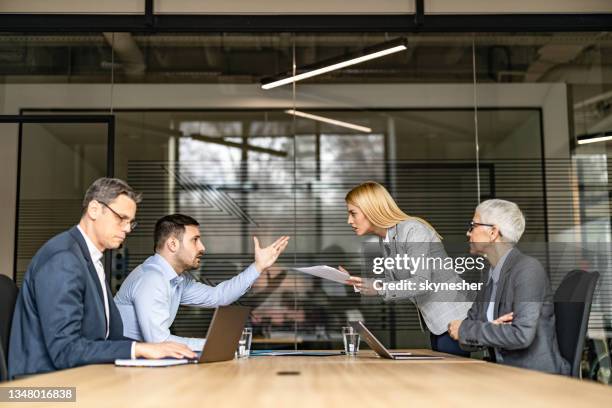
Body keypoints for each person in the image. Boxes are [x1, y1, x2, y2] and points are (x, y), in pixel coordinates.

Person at [9, 178, 195, 379]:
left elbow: (106, 338)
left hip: (80, 376)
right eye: (121, 218)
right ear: (94, 209)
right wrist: (138, 349)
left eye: (130, 222)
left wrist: (152, 348)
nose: (126, 229)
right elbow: (65, 351)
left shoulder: (88, 258)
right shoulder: (63, 259)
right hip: (40, 388)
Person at [114, 214, 290, 350]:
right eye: (195, 240)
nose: (202, 247)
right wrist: (214, 345)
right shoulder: (152, 279)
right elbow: (159, 342)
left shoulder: (177, 279)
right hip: (126, 369)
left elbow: (218, 296)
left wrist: (258, 267)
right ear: (173, 244)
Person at [342, 181, 472, 356]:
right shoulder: (386, 238)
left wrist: (379, 287)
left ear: (371, 209)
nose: (349, 220)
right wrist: (361, 283)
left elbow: (420, 283)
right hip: (435, 322)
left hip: (453, 317)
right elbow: (394, 284)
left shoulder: (412, 230)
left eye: (353, 213)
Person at [447, 199, 570, 374]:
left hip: (535, 377)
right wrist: (490, 328)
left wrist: (472, 330)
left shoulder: (528, 270)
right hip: (503, 373)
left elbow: (521, 335)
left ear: (493, 232)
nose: (468, 233)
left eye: (473, 225)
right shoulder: (489, 273)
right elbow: (466, 337)